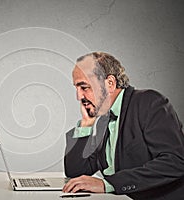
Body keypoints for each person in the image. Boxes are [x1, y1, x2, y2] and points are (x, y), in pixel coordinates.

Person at [63, 52, 184, 200]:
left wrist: (108, 184)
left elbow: (175, 161)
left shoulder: (149, 102)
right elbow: (75, 171)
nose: (79, 97)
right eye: (76, 88)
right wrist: (86, 123)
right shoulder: (102, 121)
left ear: (110, 83)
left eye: (84, 87)